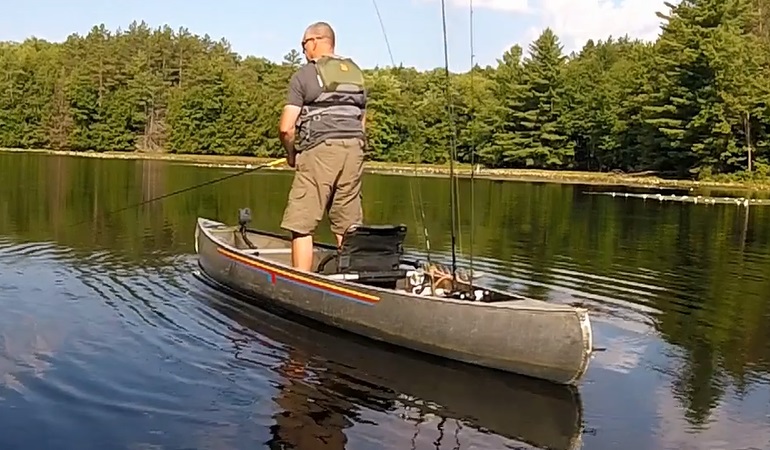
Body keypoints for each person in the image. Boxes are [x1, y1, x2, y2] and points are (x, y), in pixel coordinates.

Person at [278, 21, 368, 271]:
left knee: (302, 222)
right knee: (348, 224)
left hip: (319, 151)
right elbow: (362, 122)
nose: (303, 50)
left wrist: (291, 154)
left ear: (315, 41)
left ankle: (301, 284)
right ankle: (354, 281)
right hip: (354, 151)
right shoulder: (356, 73)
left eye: (303, 44)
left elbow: (286, 127)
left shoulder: (305, 74)